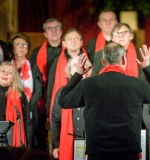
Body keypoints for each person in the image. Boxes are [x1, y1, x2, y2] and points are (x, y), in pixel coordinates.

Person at [58, 42, 150, 160]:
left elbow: (63, 101)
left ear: (103, 62)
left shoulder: (88, 84)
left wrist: (78, 74)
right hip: (128, 153)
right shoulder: (137, 84)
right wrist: (147, 68)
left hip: (97, 153)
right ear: (124, 60)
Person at [29, 18, 63, 151]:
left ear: (61, 31)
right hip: (42, 98)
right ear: (45, 33)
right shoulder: (37, 52)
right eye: (50, 28)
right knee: (40, 136)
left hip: (62, 97)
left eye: (56, 28)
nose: (54, 31)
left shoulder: (69, 50)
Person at [46, 27, 92, 124]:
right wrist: (48, 113)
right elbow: (51, 87)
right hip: (62, 104)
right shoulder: (56, 62)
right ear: (64, 43)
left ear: (81, 42)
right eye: (70, 39)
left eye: (76, 38)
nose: (73, 41)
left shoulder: (90, 59)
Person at [8, 32, 43, 149]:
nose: (22, 46)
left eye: (25, 44)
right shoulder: (5, 66)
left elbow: (38, 91)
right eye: (18, 44)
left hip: (31, 111)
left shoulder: (34, 67)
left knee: (30, 144)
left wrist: (26, 108)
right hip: (8, 110)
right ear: (12, 48)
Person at [51, 56, 85, 160]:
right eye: (75, 65)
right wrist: (56, 145)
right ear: (69, 70)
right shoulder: (62, 92)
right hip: (68, 142)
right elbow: (55, 120)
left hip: (89, 143)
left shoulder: (95, 91)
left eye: (83, 63)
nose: (80, 67)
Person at [0, 62, 32, 148]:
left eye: (9, 72)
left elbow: (27, 120)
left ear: (13, 78)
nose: (5, 74)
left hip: (11, 135)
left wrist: (28, 145)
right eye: (3, 71)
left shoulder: (19, 94)